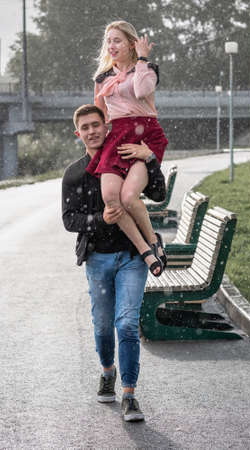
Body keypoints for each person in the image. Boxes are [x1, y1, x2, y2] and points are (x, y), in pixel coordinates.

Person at [62, 104, 166, 422]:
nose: (92, 131)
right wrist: (99, 219)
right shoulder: (74, 173)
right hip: (97, 259)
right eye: (86, 127)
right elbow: (69, 220)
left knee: (127, 325)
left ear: (107, 126)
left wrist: (149, 157)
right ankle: (108, 371)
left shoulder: (127, 156)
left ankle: (130, 395)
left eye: (97, 124)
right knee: (104, 327)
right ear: (78, 133)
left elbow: (159, 193)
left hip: (133, 258)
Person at [86, 20, 168, 277]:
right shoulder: (103, 78)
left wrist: (143, 59)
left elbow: (142, 90)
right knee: (111, 197)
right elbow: (101, 114)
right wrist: (92, 139)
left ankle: (154, 242)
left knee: (129, 197)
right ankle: (144, 249)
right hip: (118, 135)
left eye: (117, 40)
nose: (111, 45)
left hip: (145, 136)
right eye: (109, 41)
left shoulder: (146, 70)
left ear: (131, 44)